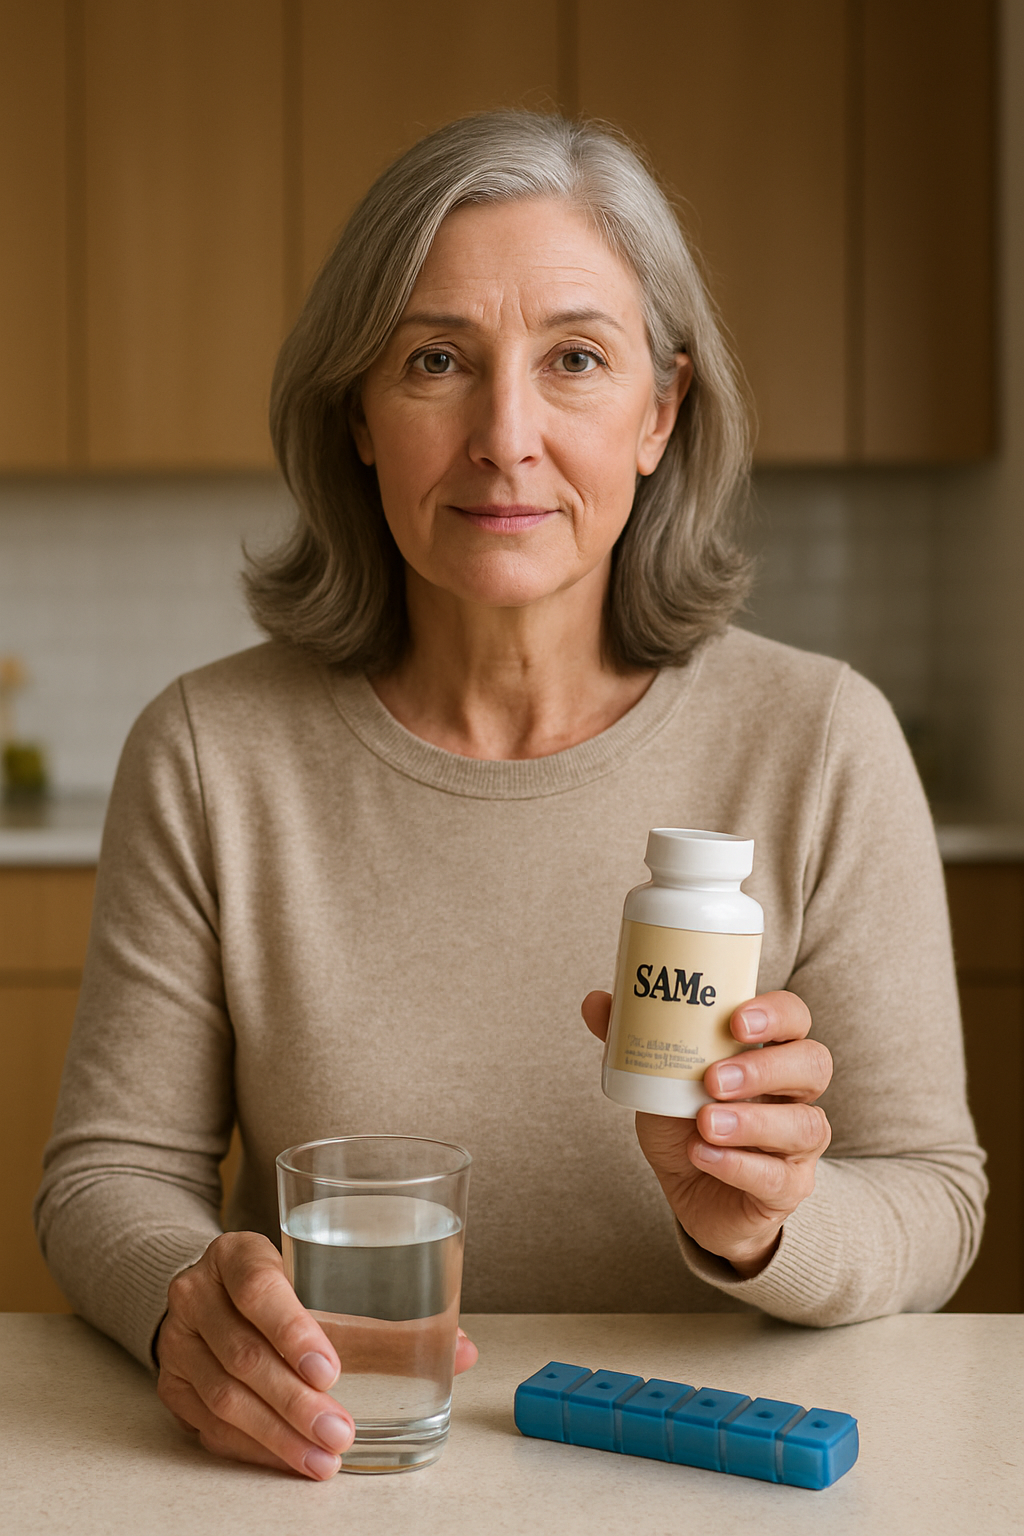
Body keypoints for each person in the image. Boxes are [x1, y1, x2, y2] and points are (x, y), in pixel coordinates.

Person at [35, 111, 985, 1483]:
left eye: (576, 361)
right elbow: (106, 1179)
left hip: (720, 1486)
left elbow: (933, 1201)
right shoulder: (209, 750)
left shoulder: (824, 741)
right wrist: (194, 1298)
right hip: (342, 1471)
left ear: (661, 412)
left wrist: (769, 1221)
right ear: (358, 413)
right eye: (436, 361)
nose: (506, 437)